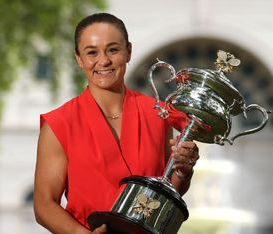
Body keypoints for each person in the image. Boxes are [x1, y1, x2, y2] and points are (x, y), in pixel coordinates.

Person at [33, 12, 200, 234]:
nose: (103, 61)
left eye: (113, 50)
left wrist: (183, 171)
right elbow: (44, 204)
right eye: (92, 52)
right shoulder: (59, 124)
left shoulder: (157, 114)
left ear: (128, 52)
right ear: (79, 59)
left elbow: (168, 191)